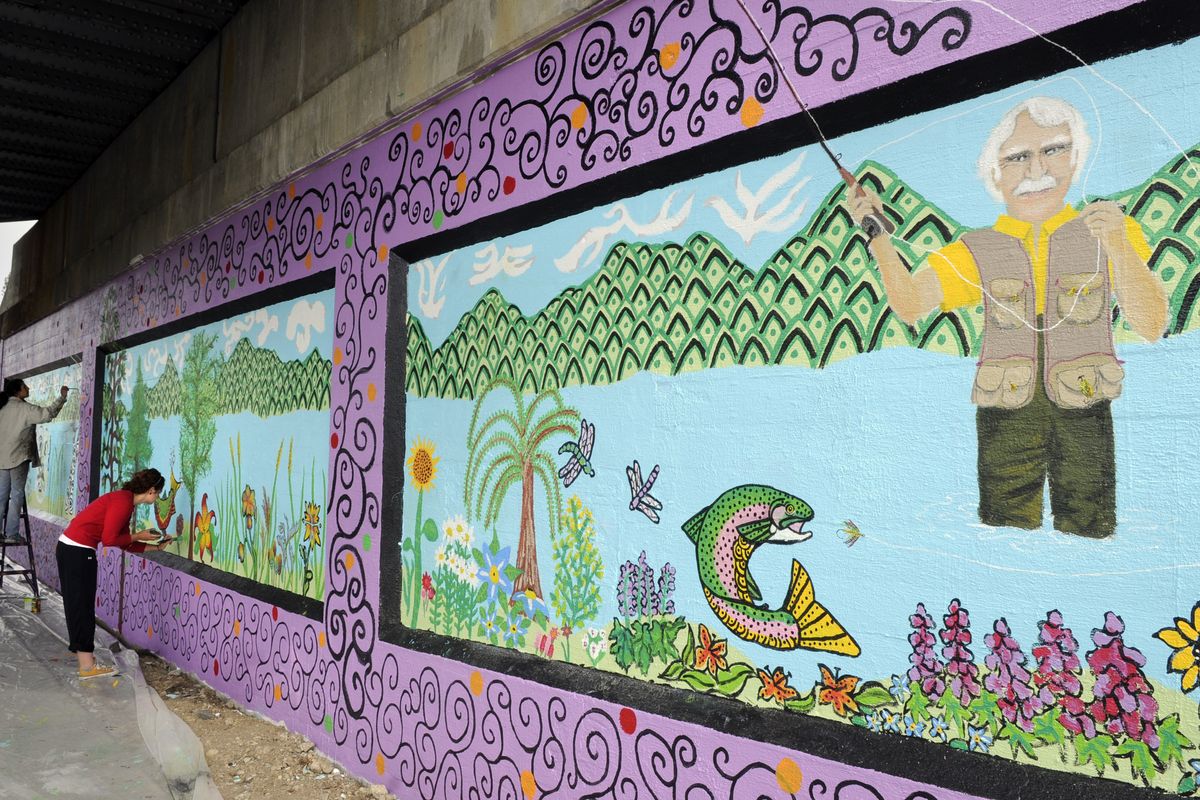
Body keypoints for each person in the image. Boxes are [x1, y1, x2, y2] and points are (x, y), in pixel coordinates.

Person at [849, 97, 1168, 538]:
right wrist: (877, 236)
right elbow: (909, 303)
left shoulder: (1110, 228)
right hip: (1006, 414)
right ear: (995, 175)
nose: (1037, 169)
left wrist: (1117, 246)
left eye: (1053, 149)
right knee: (1004, 530)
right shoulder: (974, 249)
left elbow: (1152, 324)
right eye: (1017, 157)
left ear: (1076, 159)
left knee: (1091, 529)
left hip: (1086, 408)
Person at [57, 468, 172, 679]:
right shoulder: (123, 502)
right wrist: (140, 535)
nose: (157, 498)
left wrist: (155, 547)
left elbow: (124, 542)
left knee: (77, 605)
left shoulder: (124, 500)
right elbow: (110, 540)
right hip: (78, 551)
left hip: (71, 548)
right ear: (151, 490)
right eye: (158, 494)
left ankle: (86, 663)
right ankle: (87, 667)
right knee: (81, 607)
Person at [0, 378, 69, 543]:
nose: (28, 388)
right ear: (19, 391)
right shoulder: (24, 409)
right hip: (18, 457)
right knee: (16, 495)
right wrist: (62, 398)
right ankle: (11, 534)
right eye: (25, 386)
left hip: (1, 459)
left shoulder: (2, 408)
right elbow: (47, 414)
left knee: (1, 496)